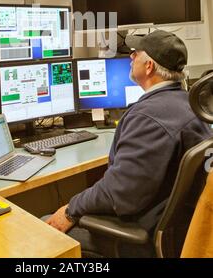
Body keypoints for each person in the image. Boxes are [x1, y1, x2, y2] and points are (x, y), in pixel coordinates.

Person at [45, 30, 212, 257]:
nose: (131, 58)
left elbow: (119, 194)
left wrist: (70, 209)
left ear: (149, 66)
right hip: (173, 225)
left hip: (141, 234)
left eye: (136, 54)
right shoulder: (190, 104)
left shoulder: (148, 118)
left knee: (45, 228)